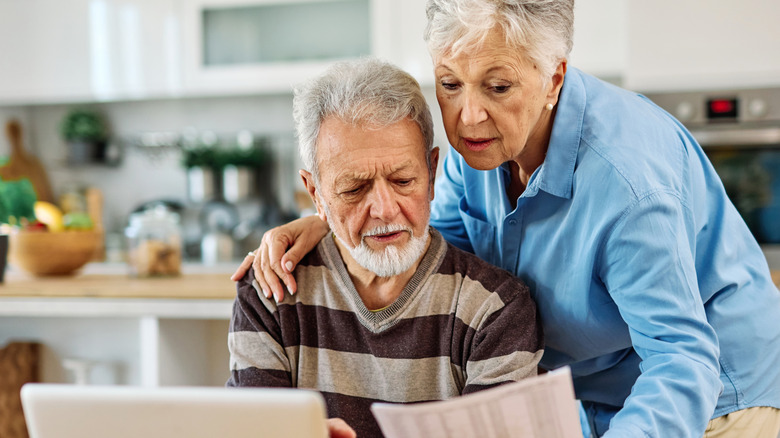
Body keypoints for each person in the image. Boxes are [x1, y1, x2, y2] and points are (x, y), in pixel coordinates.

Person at [232, 1, 780, 437]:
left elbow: (683, 358)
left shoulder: (627, 184)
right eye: (449, 84)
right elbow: (425, 245)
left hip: (712, 401)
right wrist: (331, 222)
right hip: (590, 395)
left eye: (498, 87)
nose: (468, 115)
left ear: (554, 79)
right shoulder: (479, 150)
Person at [227, 58, 543, 438]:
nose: (384, 209)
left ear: (431, 174)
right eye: (354, 189)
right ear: (316, 193)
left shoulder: (495, 310)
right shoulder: (269, 294)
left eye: (403, 180)